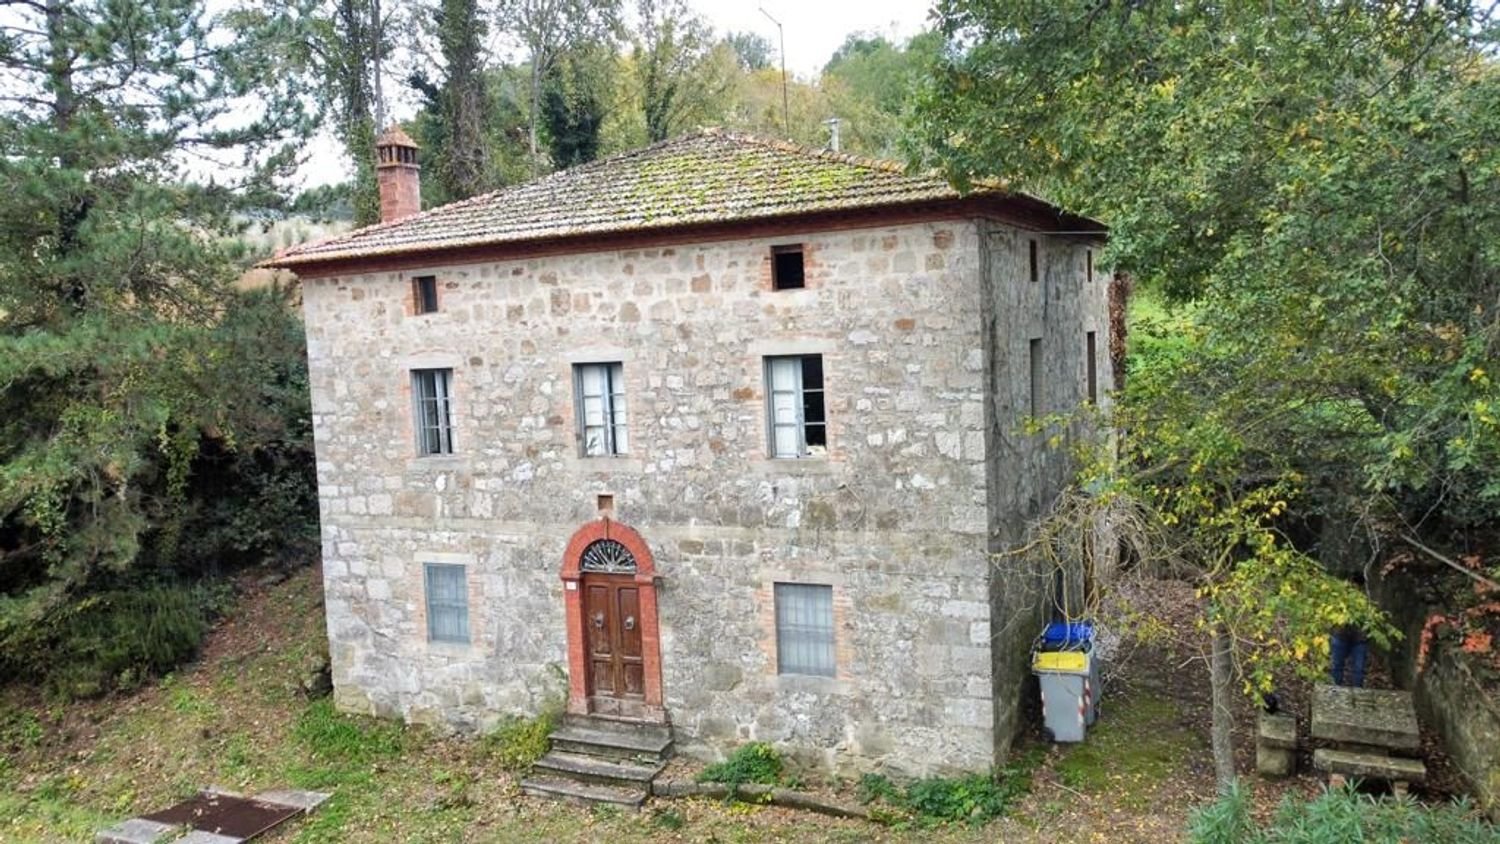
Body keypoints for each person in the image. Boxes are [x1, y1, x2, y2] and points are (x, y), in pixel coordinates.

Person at [1330, 621, 1369, 687]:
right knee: (1337, 666)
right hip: (1340, 635)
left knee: (1359, 669)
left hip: (1360, 638)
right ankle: (1335, 690)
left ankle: (1358, 692)